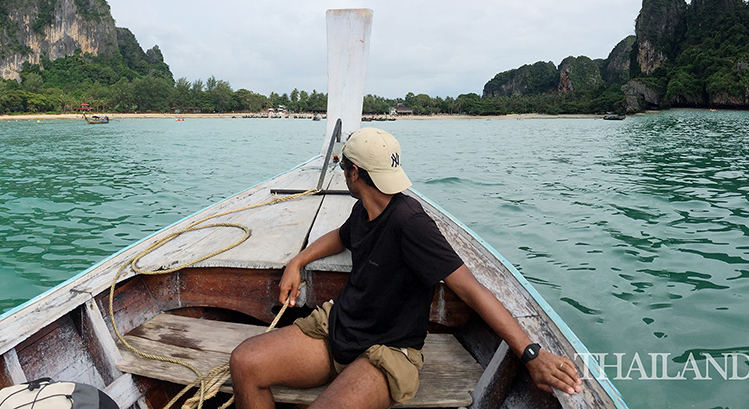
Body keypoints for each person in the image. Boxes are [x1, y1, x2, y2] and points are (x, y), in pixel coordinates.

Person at [229, 127, 582, 409]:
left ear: (353, 173)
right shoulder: (365, 208)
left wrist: (531, 353)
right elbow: (341, 236)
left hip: (388, 352)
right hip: (342, 330)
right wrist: (298, 260)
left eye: (344, 169)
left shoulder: (410, 221)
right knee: (245, 362)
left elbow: (472, 290)